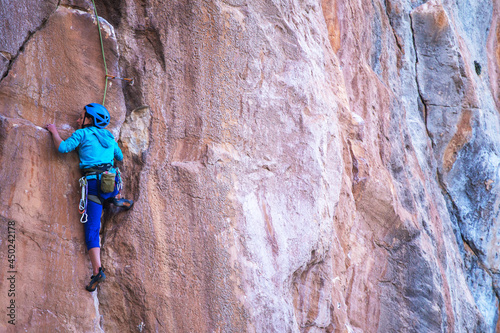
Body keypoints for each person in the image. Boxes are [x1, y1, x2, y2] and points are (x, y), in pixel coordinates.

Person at [46, 103, 133, 292]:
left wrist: (53, 131)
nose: (78, 120)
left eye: (81, 117)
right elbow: (119, 156)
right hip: (111, 183)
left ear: (89, 120)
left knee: (92, 230)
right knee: (109, 183)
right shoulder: (109, 136)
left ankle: (97, 270)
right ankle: (115, 199)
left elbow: (62, 148)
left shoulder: (81, 134)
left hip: (93, 185)